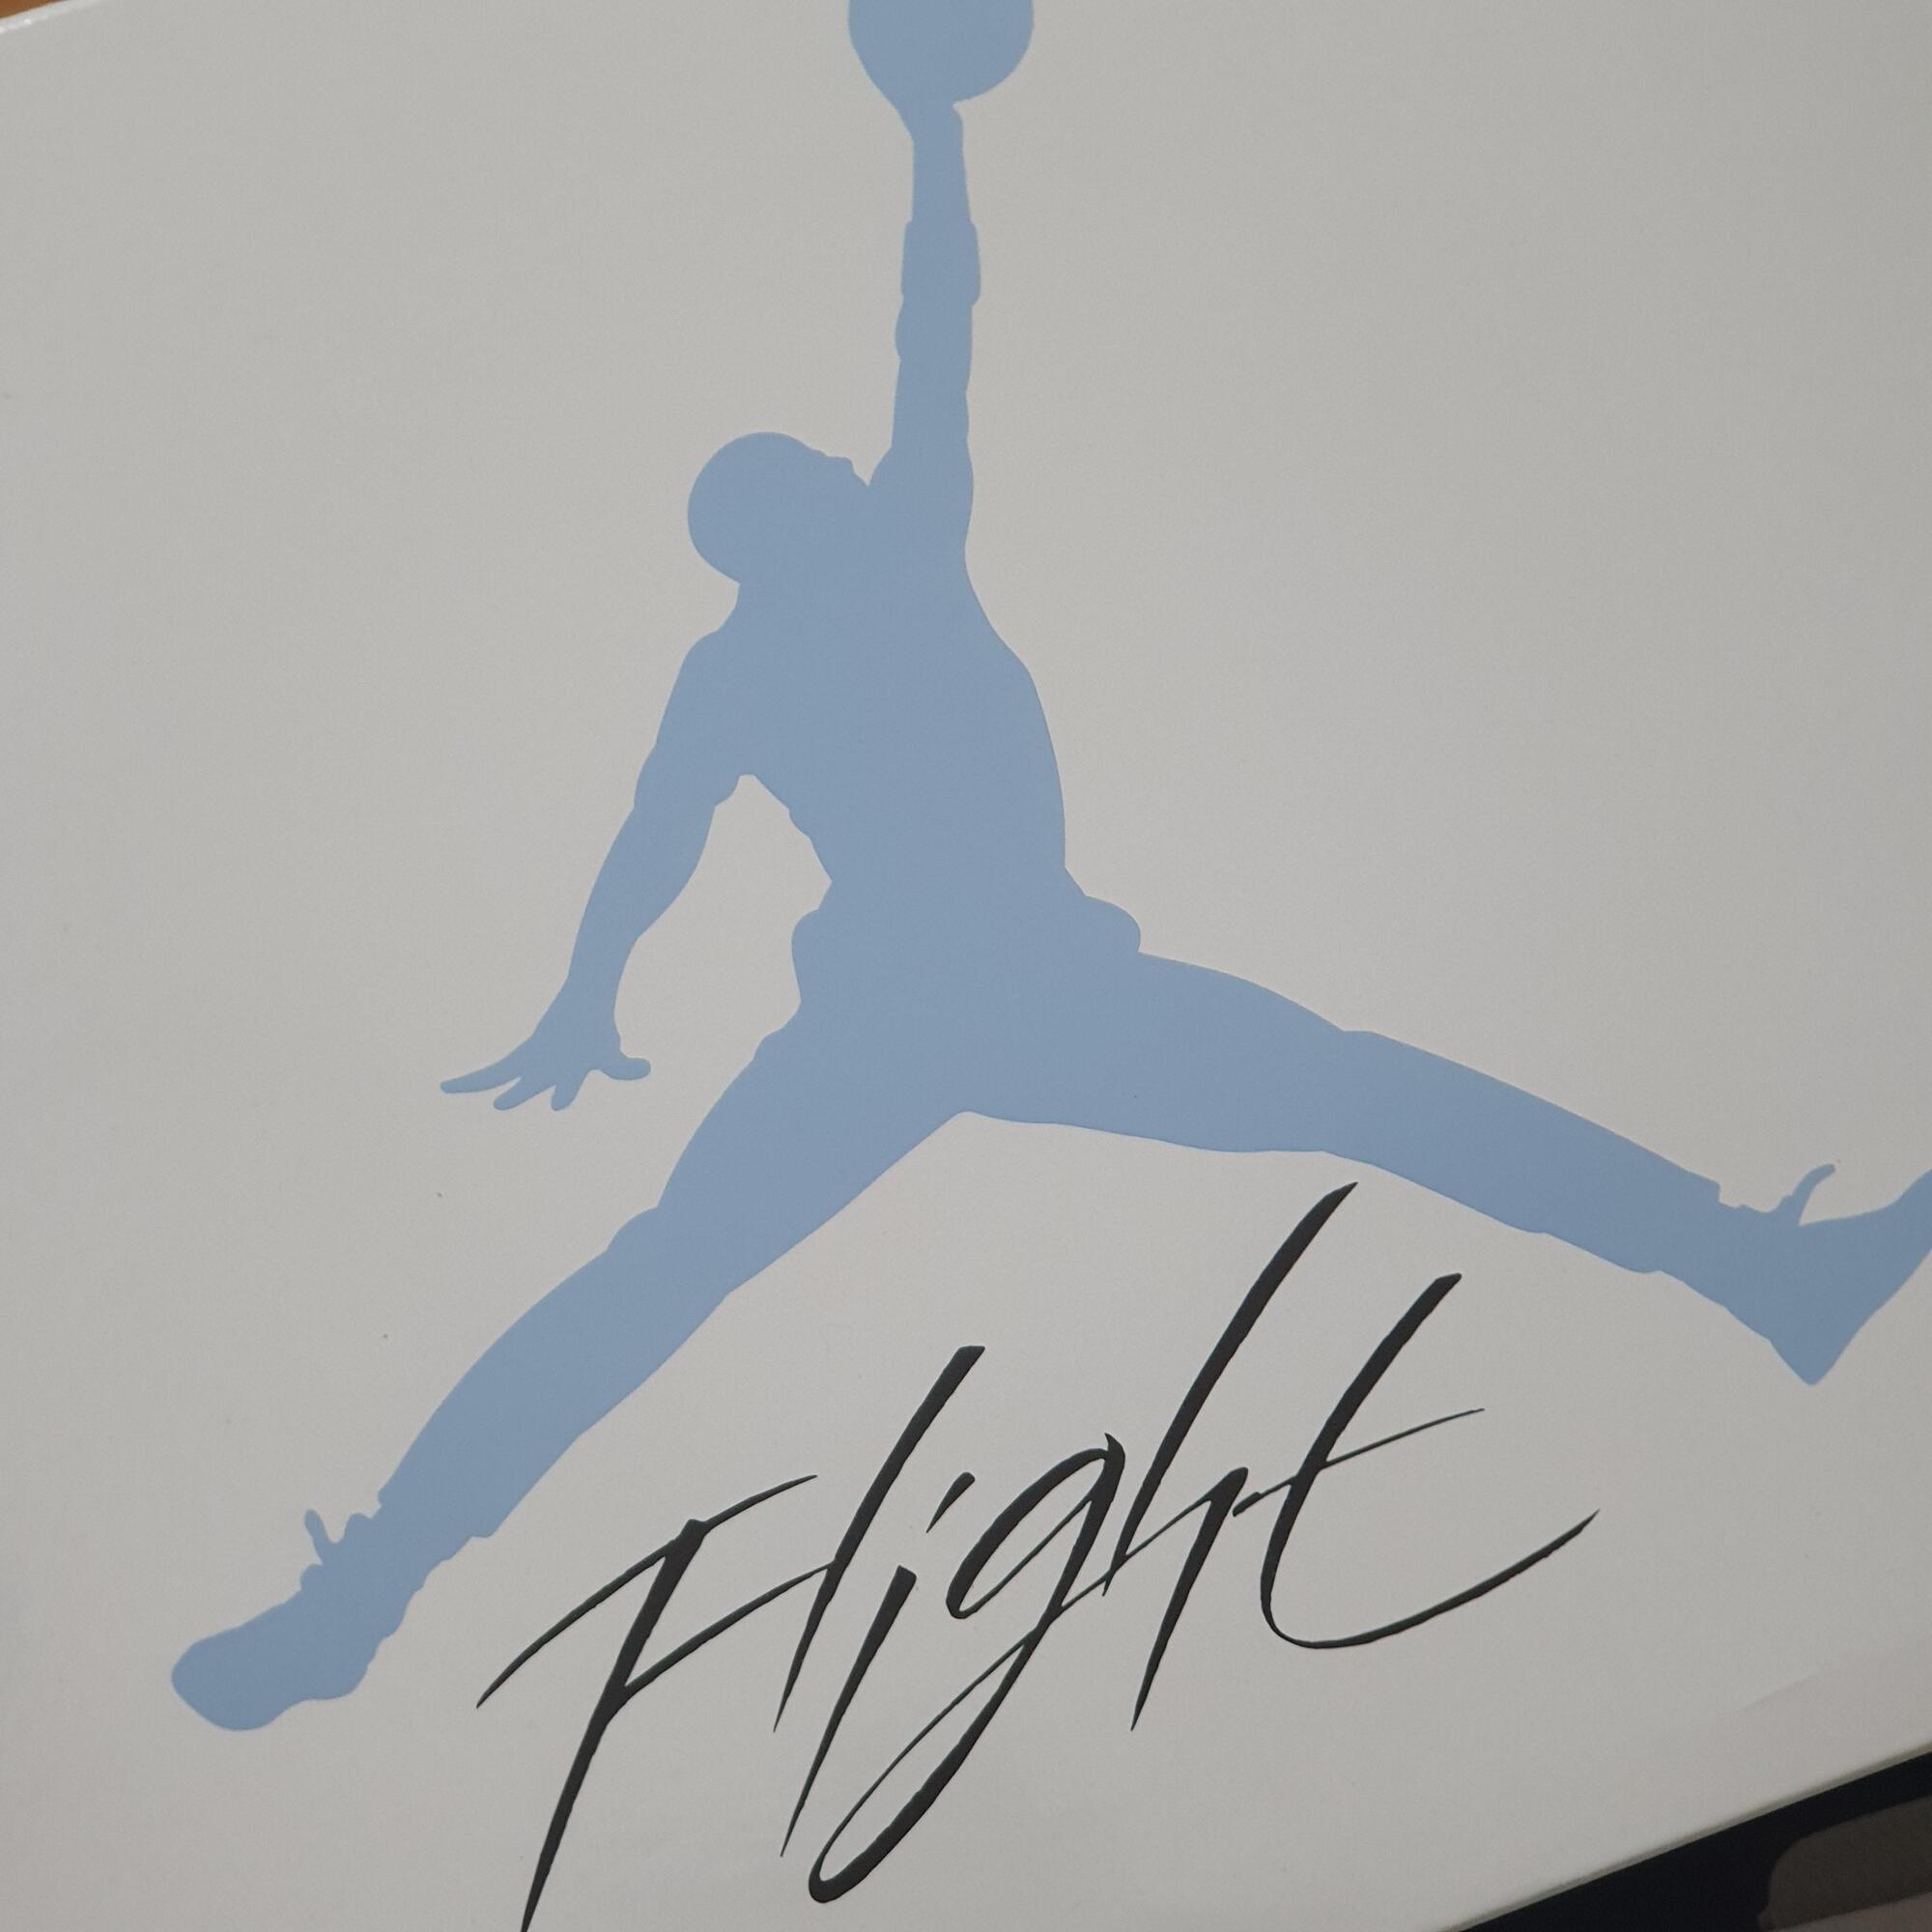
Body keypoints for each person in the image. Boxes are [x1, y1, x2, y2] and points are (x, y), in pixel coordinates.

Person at [173, 3, 1932, 1732]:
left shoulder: (787, 624)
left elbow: (664, 823)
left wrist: (589, 990)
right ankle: (1748, 1268)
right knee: (1355, 1096)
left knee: (663, 1276)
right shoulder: (870, 569)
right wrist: (929, 129)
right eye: (812, 465)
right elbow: (923, 341)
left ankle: (363, 1595)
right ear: (781, 515)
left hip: (964, 1000)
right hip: (985, 995)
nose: (845, 457)